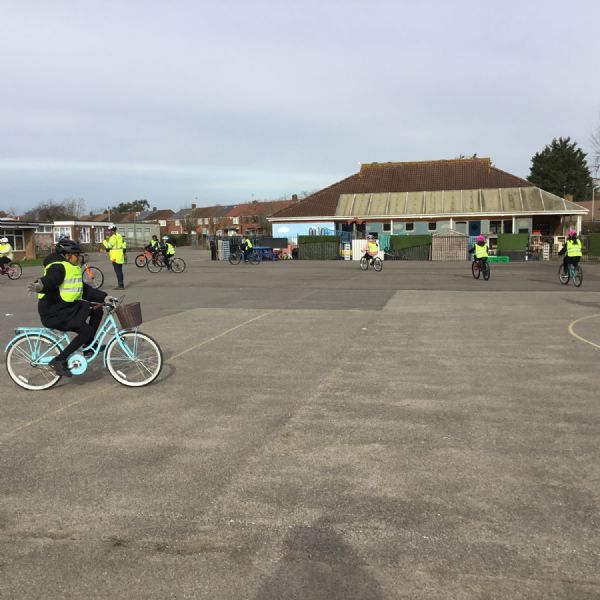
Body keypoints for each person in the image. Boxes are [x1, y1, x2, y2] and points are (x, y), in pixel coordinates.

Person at [26, 239, 116, 378]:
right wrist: (41, 285)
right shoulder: (58, 267)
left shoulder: (71, 267)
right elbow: (51, 279)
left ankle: (88, 346)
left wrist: (104, 297)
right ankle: (59, 360)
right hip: (55, 312)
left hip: (67, 308)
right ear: (67, 255)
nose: (79, 257)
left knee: (98, 309)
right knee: (86, 330)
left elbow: (84, 289)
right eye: (76, 254)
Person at [103, 225, 127, 289]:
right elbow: (124, 243)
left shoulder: (113, 237)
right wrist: (124, 248)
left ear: (112, 230)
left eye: (109, 230)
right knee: (120, 270)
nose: (109, 232)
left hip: (115, 256)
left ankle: (120, 285)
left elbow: (108, 246)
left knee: (117, 271)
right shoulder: (119, 235)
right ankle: (121, 284)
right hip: (120, 255)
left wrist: (104, 241)